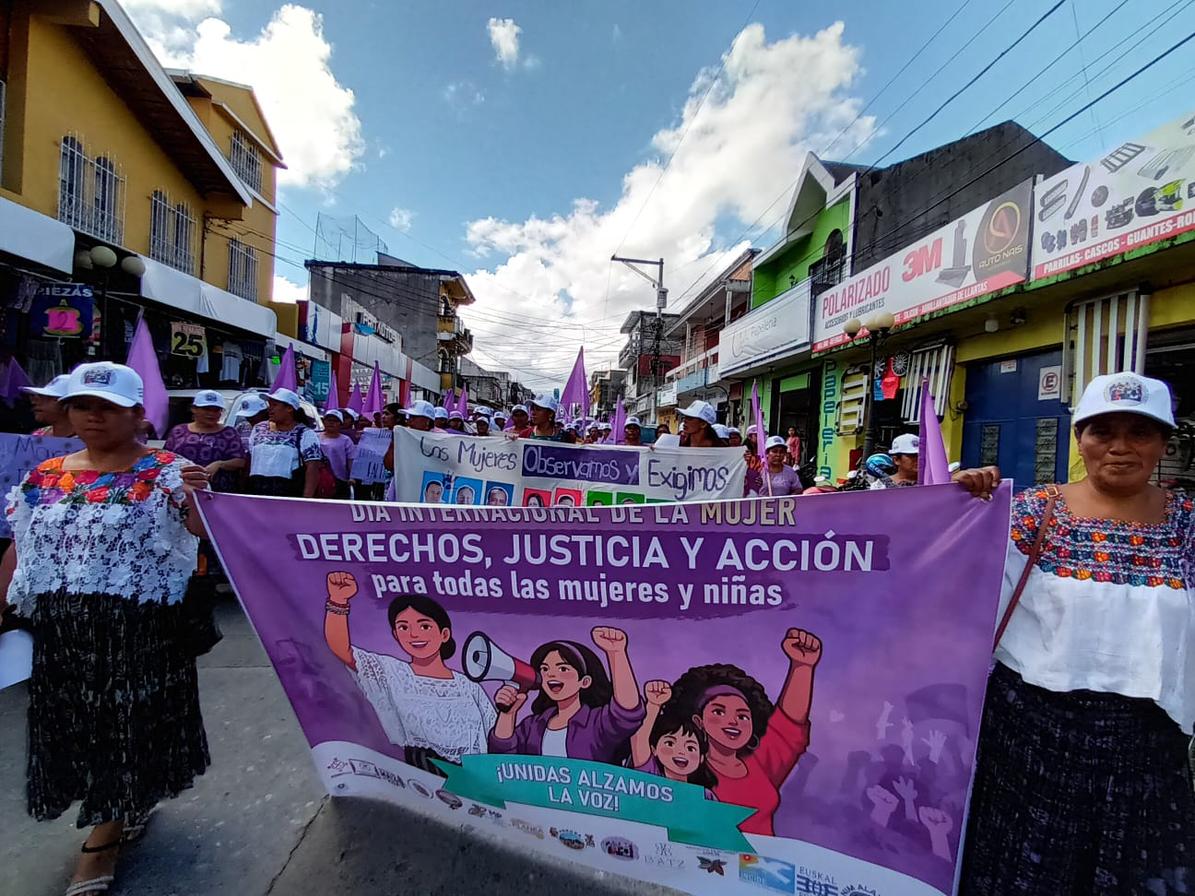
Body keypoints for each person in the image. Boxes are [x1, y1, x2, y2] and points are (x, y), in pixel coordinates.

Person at [953, 373, 1195, 895]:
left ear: (1164, 443)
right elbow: (944, 579)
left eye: (1140, 432)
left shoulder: (1188, 524)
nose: (1120, 447)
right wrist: (956, 503)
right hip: (1030, 736)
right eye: (1103, 431)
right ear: (1080, 437)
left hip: (1148, 746)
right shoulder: (1029, 512)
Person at [0, 362, 211, 896]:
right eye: (82, 406)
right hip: (62, 631)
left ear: (138, 415)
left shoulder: (169, 471)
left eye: (107, 407)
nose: (93, 417)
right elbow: (22, 544)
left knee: (125, 725)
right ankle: (124, 802)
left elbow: (201, 530)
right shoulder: (45, 475)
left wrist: (200, 499)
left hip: (140, 630)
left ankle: (103, 840)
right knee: (77, 726)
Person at [322, 573, 496, 769]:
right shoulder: (391, 672)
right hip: (419, 773)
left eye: (424, 626)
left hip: (471, 776)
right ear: (396, 635)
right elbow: (341, 649)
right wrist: (338, 600)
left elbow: (494, 736)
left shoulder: (469, 687)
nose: (414, 634)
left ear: (444, 634)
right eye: (403, 627)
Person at [669, 628, 822, 836]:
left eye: (742, 716)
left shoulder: (758, 763)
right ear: (699, 721)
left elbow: (788, 727)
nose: (733, 721)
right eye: (719, 712)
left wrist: (802, 666)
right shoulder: (681, 767)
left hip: (762, 857)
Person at [489, 628, 645, 763]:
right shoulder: (533, 726)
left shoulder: (596, 723)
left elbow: (627, 712)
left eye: (563, 669)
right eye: (545, 669)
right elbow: (502, 759)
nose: (551, 675)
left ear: (584, 682)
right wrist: (507, 714)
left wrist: (616, 653)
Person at [163, 390, 247, 493]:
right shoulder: (178, 431)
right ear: (194, 409)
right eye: (206, 409)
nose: (211, 414)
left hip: (218, 491)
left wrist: (220, 464)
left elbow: (240, 461)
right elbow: (165, 458)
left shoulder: (229, 433)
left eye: (216, 410)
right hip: (182, 489)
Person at [246, 388, 322, 497]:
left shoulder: (305, 433)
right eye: (269, 405)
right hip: (256, 491)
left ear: (289, 408)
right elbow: (251, 459)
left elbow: (313, 468)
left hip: (287, 493)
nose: (270, 409)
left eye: (275, 405)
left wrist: (306, 499)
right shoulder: (258, 429)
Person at [319, 410, 357, 498]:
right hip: (319, 479)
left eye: (335, 421)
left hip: (340, 480)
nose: (331, 423)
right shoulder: (315, 437)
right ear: (324, 421)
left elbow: (351, 460)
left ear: (341, 424)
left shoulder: (346, 440)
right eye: (329, 420)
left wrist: (352, 477)